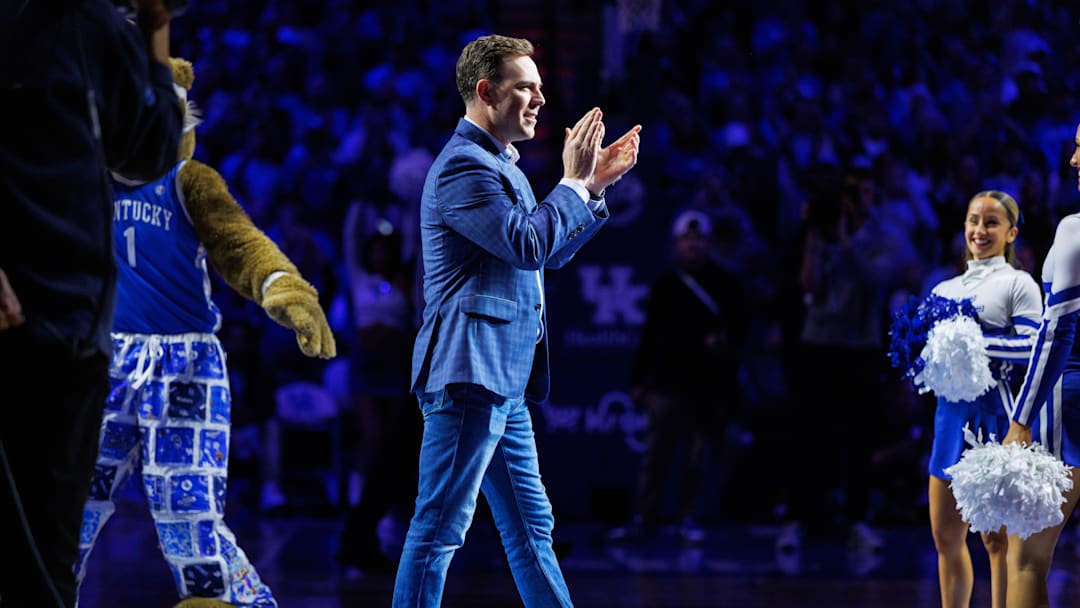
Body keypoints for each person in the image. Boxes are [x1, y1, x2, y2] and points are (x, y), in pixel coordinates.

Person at [73, 56, 336, 607]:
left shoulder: (188, 180)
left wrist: (283, 288)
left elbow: (238, 242)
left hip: (184, 365)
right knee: (68, 502)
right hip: (106, 362)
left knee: (187, 512)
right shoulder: (90, 184)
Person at [393, 33, 641, 607]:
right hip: (467, 374)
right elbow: (529, 243)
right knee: (439, 529)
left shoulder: (498, 166)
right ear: (485, 92)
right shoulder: (462, 167)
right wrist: (574, 183)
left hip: (503, 380)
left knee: (533, 528)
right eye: (525, 87)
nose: (539, 100)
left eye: (540, 87)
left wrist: (593, 187)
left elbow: (546, 251)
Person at [0, 1, 182, 606]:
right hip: (42, 317)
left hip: (70, 327)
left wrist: (155, 31)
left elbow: (147, 150)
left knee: (49, 555)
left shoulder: (92, 27)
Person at [924, 190, 1042, 608]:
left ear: (1011, 232)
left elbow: (1033, 347)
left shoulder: (1018, 283)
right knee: (945, 538)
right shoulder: (943, 288)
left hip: (994, 419)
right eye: (974, 220)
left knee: (996, 543)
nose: (980, 230)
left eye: (992, 223)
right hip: (948, 421)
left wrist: (976, 342)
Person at [607, 209, 745, 545]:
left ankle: (688, 518)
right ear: (677, 244)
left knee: (698, 457)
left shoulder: (726, 285)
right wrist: (639, 379)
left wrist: (722, 348)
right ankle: (646, 518)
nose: (694, 245)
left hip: (707, 386)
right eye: (687, 239)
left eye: (699, 239)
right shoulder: (665, 285)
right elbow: (650, 336)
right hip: (667, 384)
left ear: (708, 243)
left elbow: (740, 333)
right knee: (656, 455)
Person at [1002, 122, 1080, 608]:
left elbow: (1057, 334)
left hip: (1067, 403)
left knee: (1027, 559)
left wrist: (1020, 418)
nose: (1074, 159)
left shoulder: (1074, 229)